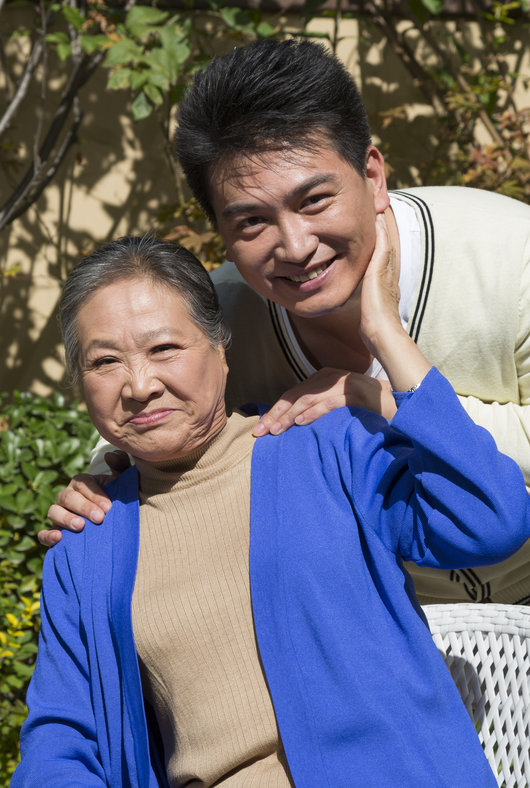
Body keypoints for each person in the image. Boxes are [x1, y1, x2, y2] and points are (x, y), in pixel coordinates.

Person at [10, 233, 529, 788]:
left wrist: (384, 359)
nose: (139, 384)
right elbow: (57, 738)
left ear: (220, 349)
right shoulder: (87, 544)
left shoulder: (323, 448)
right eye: (104, 362)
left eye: (164, 349)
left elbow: (490, 518)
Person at [42, 38, 530, 607]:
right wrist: (101, 483)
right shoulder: (219, 319)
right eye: (251, 222)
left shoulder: (510, 256)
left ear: (372, 176)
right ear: (220, 232)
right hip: (381, 646)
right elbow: (146, 418)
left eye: (315, 200)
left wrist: (380, 404)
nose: (296, 247)